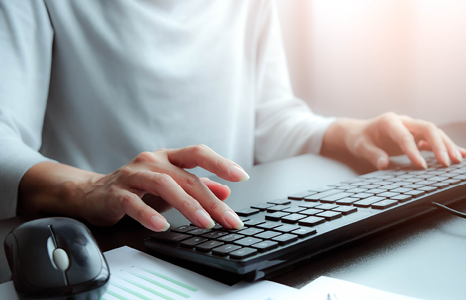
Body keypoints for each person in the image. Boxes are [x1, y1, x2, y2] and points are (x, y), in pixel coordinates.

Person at [0, 0, 464, 231]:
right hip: (104, 244)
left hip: (231, 234)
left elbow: (269, 119)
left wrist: (347, 132)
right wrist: (88, 187)